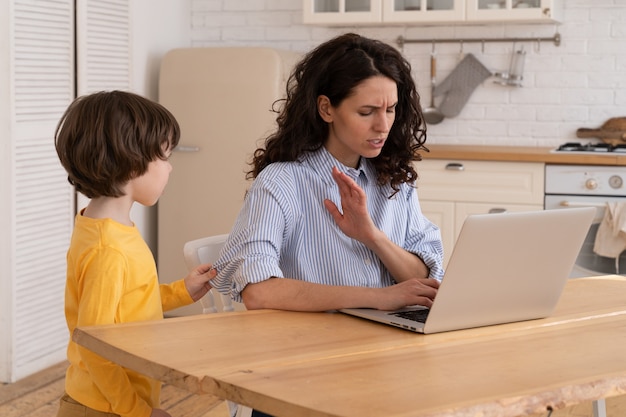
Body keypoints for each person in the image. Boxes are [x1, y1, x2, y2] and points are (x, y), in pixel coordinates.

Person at [211, 32, 444, 316]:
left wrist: (372, 237)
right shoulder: (281, 183)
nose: (383, 125)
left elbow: (423, 281)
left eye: (391, 109)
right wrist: (378, 297)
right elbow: (258, 291)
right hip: (309, 344)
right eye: (367, 112)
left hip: (384, 339)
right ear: (326, 109)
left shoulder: (394, 178)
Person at [54, 90, 217, 417]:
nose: (170, 169)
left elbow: (127, 306)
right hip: (104, 407)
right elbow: (93, 345)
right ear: (131, 162)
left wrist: (181, 292)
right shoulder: (108, 250)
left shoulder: (105, 228)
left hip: (112, 401)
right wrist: (138, 411)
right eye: (164, 158)